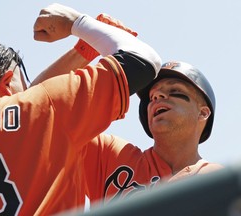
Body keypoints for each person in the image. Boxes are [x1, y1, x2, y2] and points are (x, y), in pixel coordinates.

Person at [0, 3, 161, 215]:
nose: (28, 89)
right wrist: (76, 23)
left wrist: (82, 52)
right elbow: (143, 60)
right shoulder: (37, 108)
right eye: (23, 82)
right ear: (7, 82)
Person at [33, 11, 223, 210]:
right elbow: (40, 108)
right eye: (152, 96)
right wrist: (84, 51)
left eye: (175, 91)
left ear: (203, 113)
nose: (157, 96)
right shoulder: (112, 156)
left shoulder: (218, 181)